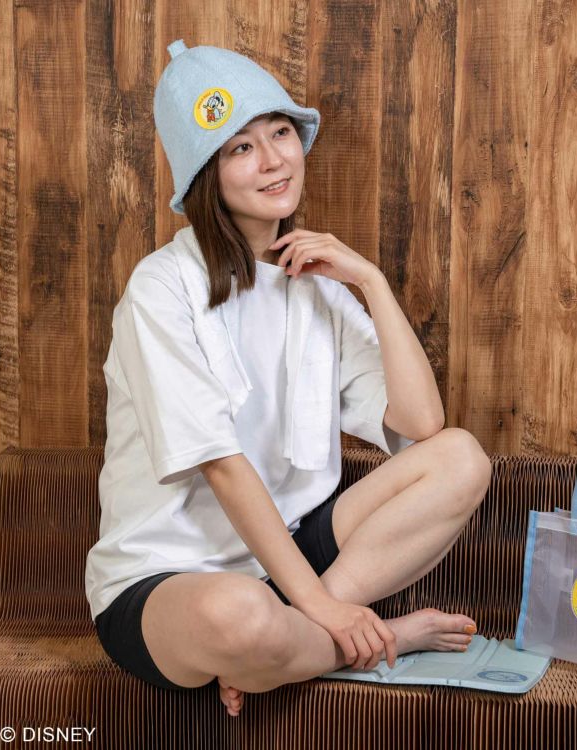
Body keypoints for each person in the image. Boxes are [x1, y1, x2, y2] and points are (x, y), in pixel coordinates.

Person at [85, 39, 492, 717]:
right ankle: (368, 640)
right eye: (241, 148)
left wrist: (371, 283)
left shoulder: (319, 287)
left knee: (462, 459)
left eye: (280, 133)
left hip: (288, 559)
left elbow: (422, 425)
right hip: (166, 582)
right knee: (239, 614)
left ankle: (287, 647)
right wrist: (328, 609)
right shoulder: (162, 287)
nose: (274, 159)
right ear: (206, 175)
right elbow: (221, 465)